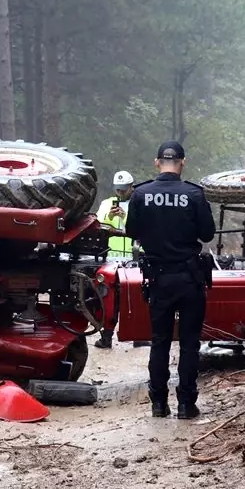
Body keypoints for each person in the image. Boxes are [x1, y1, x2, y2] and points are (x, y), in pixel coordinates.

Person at [125, 141, 216, 419]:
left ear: (157, 163)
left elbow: (131, 231)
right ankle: (187, 405)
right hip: (190, 279)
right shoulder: (194, 194)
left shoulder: (141, 194)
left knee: (160, 341)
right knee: (189, 344)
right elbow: (208, 235)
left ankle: (158, 404)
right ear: (182, 162)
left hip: (159, 279)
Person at [93, 171, 135, 350]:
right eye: (118, 190)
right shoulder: (106, 203)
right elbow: (97, 225)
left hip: (134, 257)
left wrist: (124, 217)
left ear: (131, 187)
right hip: (111, 258)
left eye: (124, 190)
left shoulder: (138, 204)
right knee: (109, 299)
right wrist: (110, 217)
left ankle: (138, 337)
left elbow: (141, 226)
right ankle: (107, 336)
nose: (120, 193)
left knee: (134, 298)